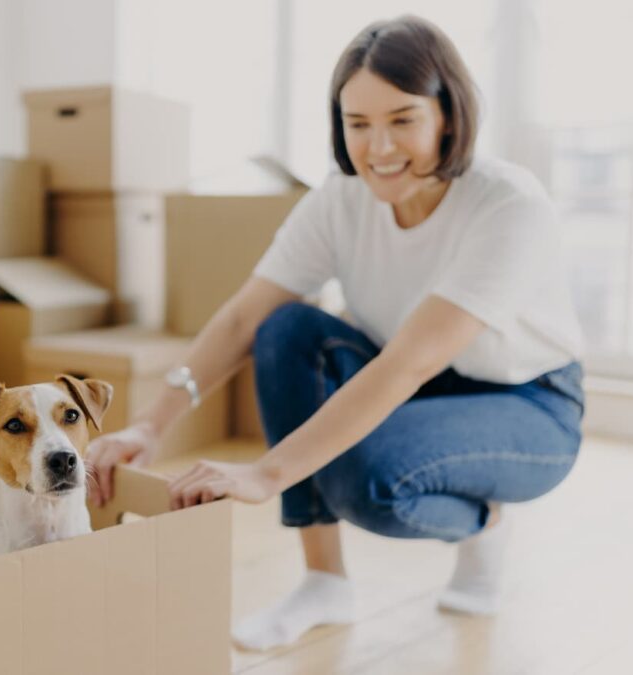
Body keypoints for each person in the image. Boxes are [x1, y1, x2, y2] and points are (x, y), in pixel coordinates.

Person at [86, 14, 585, 652]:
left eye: (403, 119)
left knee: (365, 480)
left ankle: (482, 523)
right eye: (359, 125)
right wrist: (151, 424)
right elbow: (245, 316)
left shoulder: (508, 205)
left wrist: (266, 474)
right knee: (285, 328)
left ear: (449, 117)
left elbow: (408, 362)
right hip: (411, 384)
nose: (379, 148)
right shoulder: (339, 200)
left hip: (528, 403)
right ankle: (324, 582)